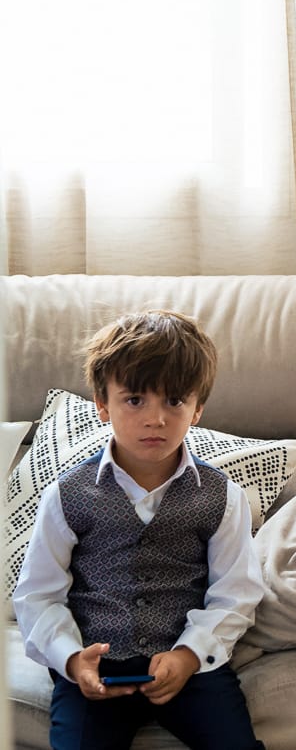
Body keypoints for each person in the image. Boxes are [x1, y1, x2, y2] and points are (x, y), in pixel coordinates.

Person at [13, 310, 267, 750]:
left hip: (189, 666)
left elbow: (237, 591)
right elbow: (38, 595)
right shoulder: (67, 494)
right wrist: (73, 662)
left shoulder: (222, 495)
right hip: (96, 665)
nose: (156, 419)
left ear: (198, 408)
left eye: (174, 401)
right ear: (102, 404)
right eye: (135, 400)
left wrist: (190, 656)